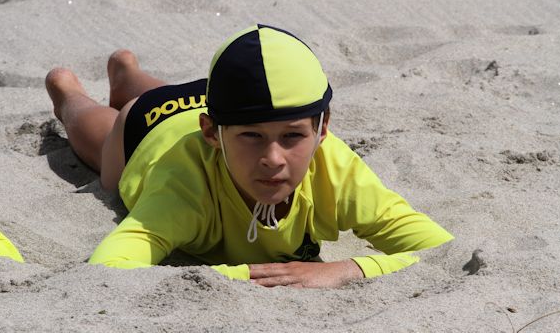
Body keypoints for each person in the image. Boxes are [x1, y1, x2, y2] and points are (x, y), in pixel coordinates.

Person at [46, 24, 453, 288]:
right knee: (107, 153)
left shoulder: (337, 169)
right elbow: (109, 269)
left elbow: (443, 253)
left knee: (162, 90)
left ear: (322, 129)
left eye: (293, 136)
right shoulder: (183, 184)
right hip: (151, 127)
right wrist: (256, 277)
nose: (273, 158)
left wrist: (344, 269)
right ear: (212, 135)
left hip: (227, 101)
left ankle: (124, 71)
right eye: (253, 138)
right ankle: (67, 91)